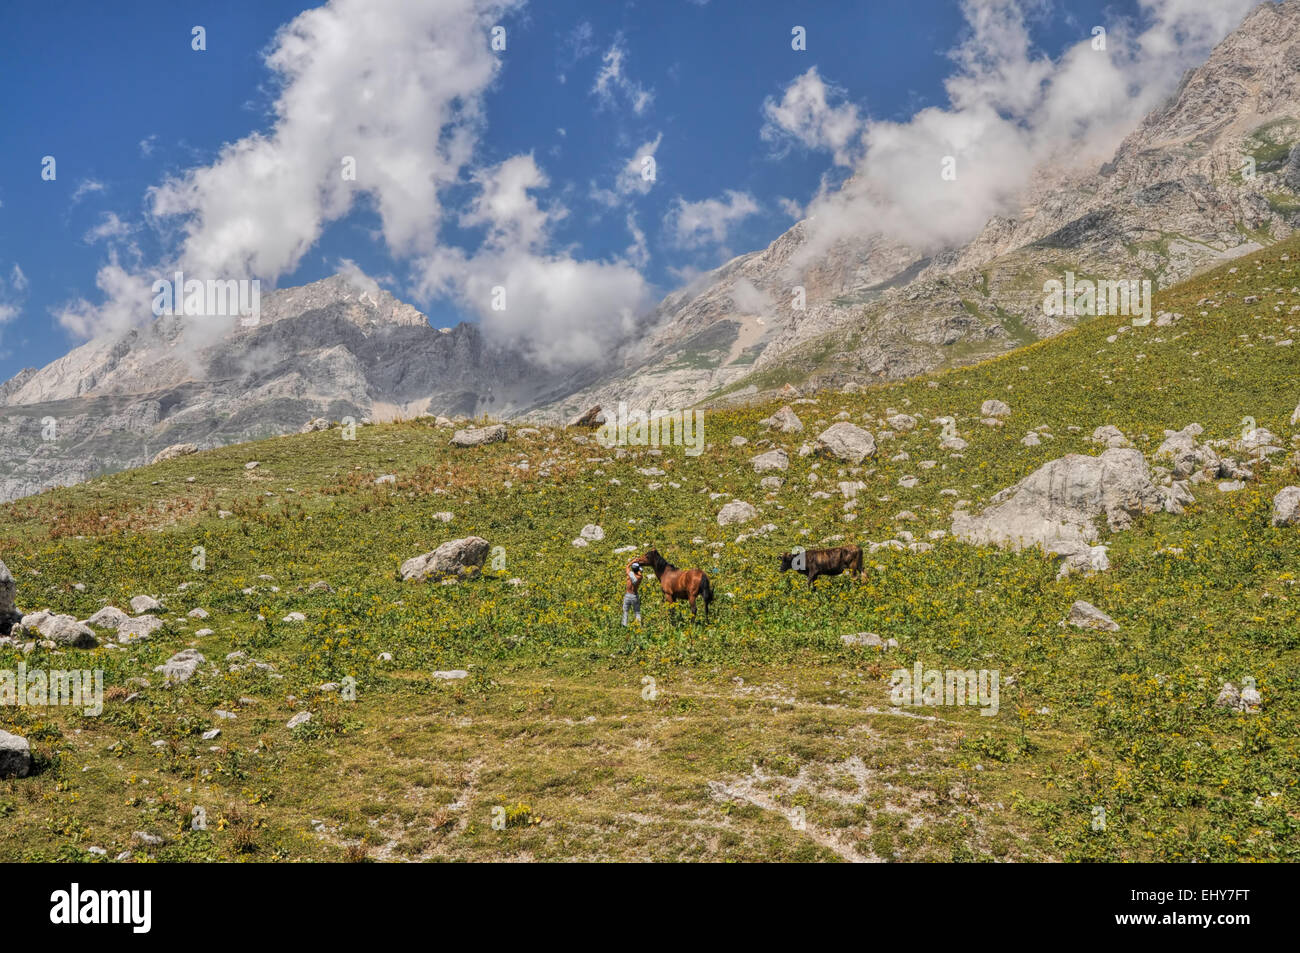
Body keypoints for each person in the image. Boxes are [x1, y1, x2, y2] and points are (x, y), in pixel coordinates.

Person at [622, 560, 643, 626]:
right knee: (637, 612)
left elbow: (627, 566)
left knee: (625, 611)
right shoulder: (640, 577)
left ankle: (624, 625)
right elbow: (640, 572)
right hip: (634, 595)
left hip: (627, 595)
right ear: (638, 569)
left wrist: (633, 561)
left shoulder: (629, 574)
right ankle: (638, 626)